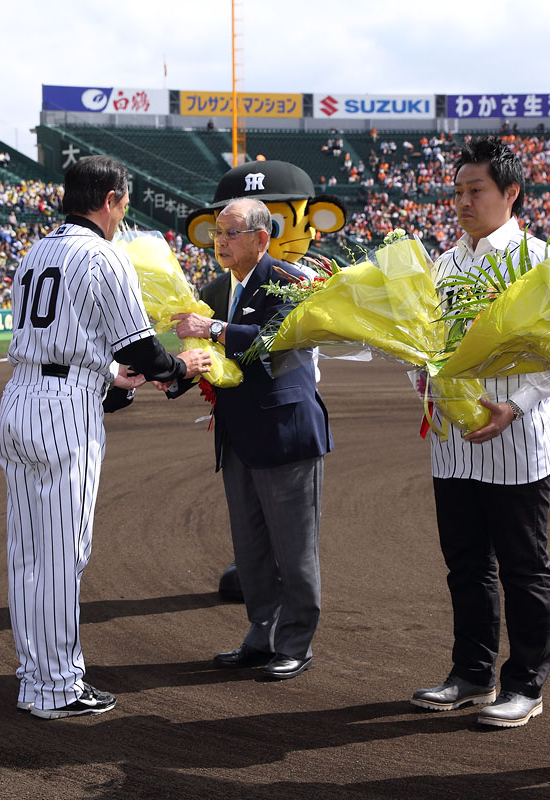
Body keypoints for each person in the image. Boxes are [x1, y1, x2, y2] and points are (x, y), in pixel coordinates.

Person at [0, 155, 211, 719]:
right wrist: (180, 368)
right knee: (63, 555)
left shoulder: (34, 251)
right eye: (123, 203)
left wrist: (108, 376)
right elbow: (142, 348)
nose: (123, 214)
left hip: (19, 399)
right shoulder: (102, 255)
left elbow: (73, 341)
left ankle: (34, 677)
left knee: (27, 553)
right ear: (112, 199)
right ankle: (58, 687)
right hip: (62, 411)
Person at [410, 137, 550, 728]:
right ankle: (471, 673)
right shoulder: (444, 264)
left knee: (525, 566)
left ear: (511, 193)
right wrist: (421, 379)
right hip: (452, 443)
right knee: (465, 563)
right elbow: (424, 343)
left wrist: (517, 403)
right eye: (457, 191)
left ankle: (525, 684)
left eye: (476, 190)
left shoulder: (539, 260)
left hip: (518, 440)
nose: (463, 201)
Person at [168, 197, 331, 681]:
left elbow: (270, 340)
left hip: (286, 434)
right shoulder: (215, 289)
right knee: (252, 547)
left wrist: (213, 328)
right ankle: (262, 633)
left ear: (262, 238)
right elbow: (202, 351)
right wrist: (171, 375)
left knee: (294, 547)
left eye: (232, 232)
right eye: (217, 232)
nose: (220, 241)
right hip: (237, 436)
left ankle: (296, 642)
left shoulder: (293, 281)